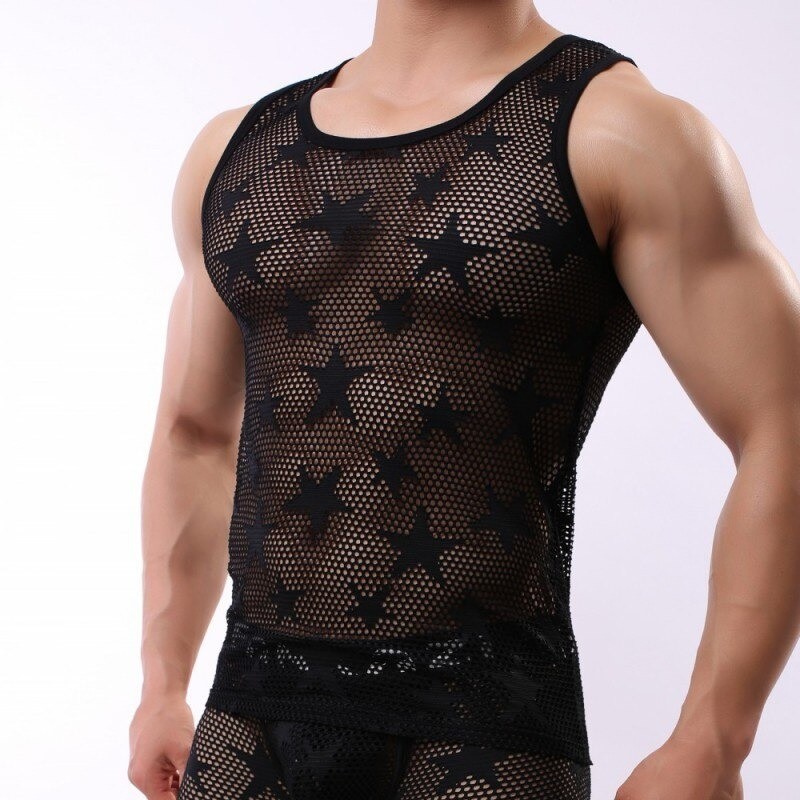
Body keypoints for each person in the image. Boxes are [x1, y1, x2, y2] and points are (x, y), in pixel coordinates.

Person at [128, 3, 800, 800]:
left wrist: (715, 739)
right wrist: (162, 683)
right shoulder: (237, 153)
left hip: (483, 731)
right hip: (252, 719)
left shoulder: (622, 134)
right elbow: (195, 433)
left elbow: (784, 421)